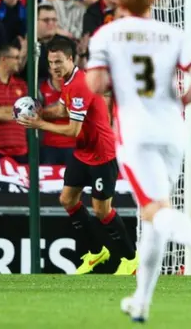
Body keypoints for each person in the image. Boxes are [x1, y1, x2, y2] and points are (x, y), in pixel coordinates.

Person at [84, 0, 191, 323]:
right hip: (174, 131)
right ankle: (141, 301)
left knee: (153, 210)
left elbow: (96, 84)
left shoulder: (108, 33)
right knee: (157, 214)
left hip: (136, 132)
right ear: (153, 0)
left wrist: (117, 78)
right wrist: (181, 102)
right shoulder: (175, 34)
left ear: (119, 1)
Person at [18, 38, 138, 276]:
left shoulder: (81, 85)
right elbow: (62, 109)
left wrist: (40, 123)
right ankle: (96, 252)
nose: (54, 66)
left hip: (102, 154)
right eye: (51, 62)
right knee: (67, 200)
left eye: (59, 61)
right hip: (83, 153)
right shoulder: (69, 80)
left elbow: (73, 130)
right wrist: (41, 112)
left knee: (101, 210)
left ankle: (130, 259)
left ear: (71, 59)